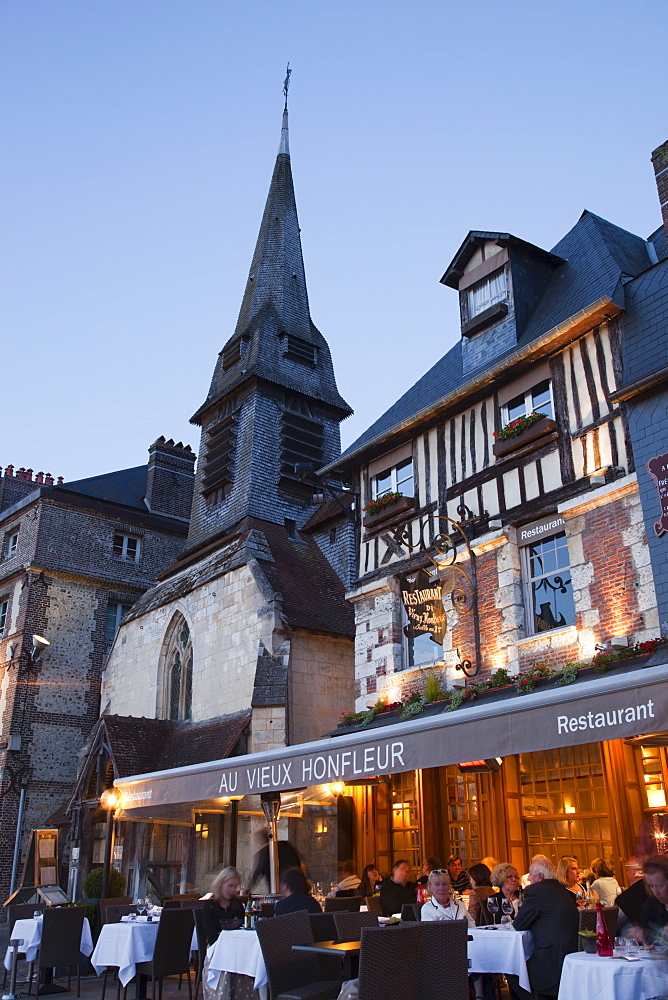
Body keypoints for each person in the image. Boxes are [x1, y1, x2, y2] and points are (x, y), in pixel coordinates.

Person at [512, 856, 578, 1000]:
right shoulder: (564, 891)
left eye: (530, 874)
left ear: (540, 877)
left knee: (513, 970)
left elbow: (519, 925)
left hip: (550, 962)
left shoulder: (536, 891)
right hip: (570, 956)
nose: (528, 878)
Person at [629, 854, 668, 944]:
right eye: (651, 886)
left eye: (660, 886)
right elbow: (643, 930)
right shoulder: (651, 904)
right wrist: (640, 933)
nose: (656, 892)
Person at [201, 866, 245, 944]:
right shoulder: (210, 906)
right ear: (220, 884)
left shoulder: (237, 903)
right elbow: (211, 936)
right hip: (217, 948)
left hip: (237, 946)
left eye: (235, 887)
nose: (233, 890)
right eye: (230, 885)